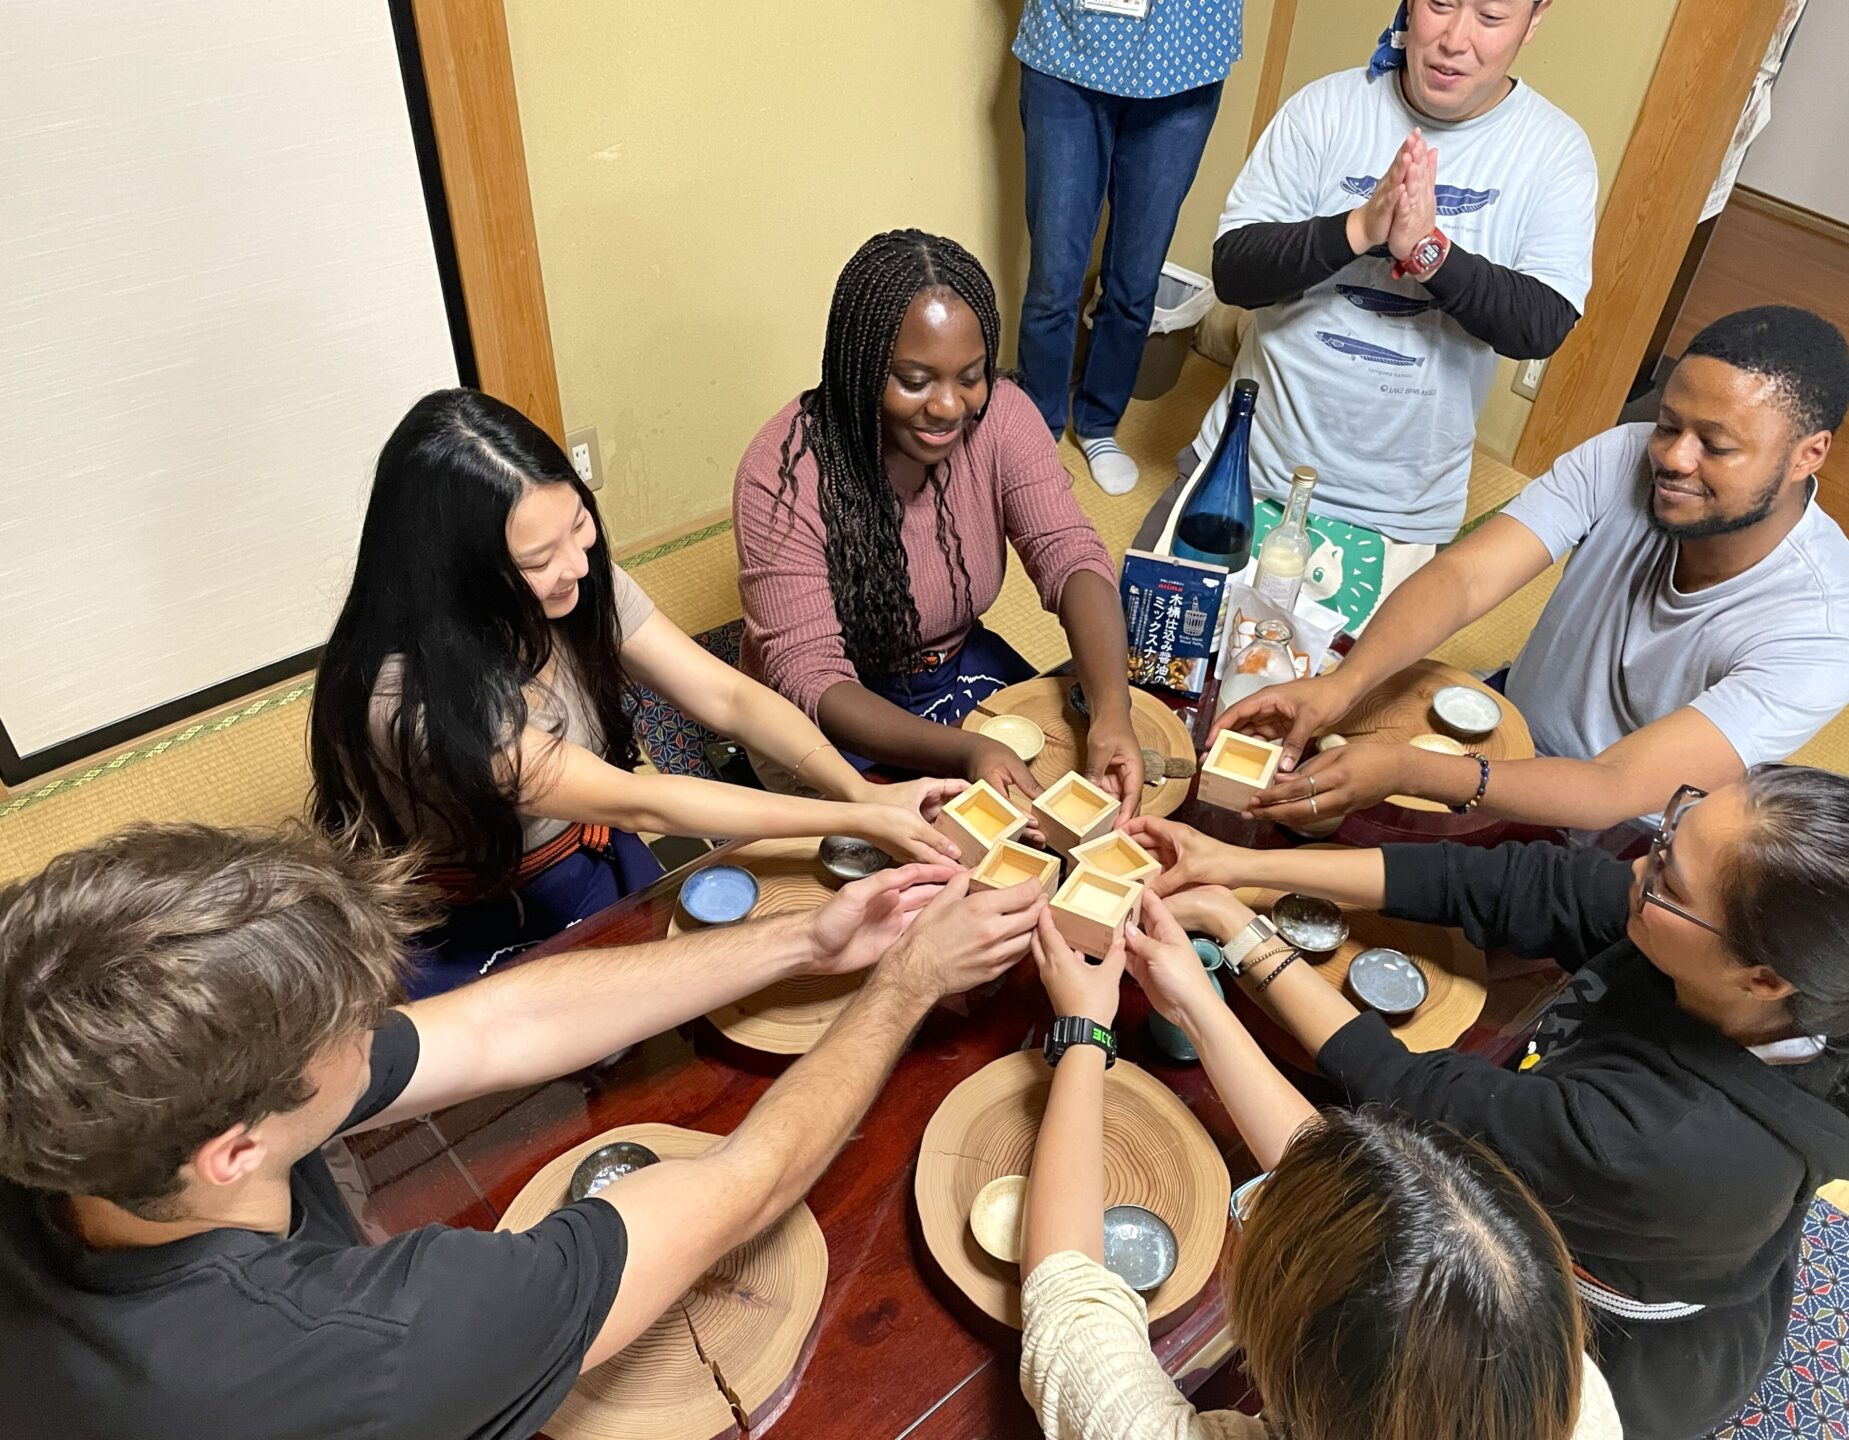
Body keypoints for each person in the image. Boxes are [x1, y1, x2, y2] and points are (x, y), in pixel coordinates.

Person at [0, 822, 1049, 1437]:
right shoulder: (358, 1344)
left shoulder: (70, 1096)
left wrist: (800, 942)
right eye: (349, 1031)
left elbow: (504, 1021)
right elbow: (749, 1182)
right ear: (233, 1149)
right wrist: (908, 983)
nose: (376, 1030)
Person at [1124, 762, 1849, 1439]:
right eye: (1670, 833)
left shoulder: (1662, 1142)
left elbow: (1409, 1104)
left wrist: (1235, 941)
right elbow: (1517, 885)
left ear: (1765, 977)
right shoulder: (1793, 980)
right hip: (1655, 1229)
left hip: (1594, 1350)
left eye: (1666, 879)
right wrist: (1239, 864)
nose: (1641, 868)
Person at [310, 388, 963, 997]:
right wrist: (859, 817)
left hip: (591, 841)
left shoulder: (578, 576)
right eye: (539, 559)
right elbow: (642, 803)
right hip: (481, 900)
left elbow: (726, 699)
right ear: (459, 577)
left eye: (578, 524)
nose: (578, 562)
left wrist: (858, 791)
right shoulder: (412, 704)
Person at [1215, 306, 1849, 834]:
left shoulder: (1825, 631)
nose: (1674, 459)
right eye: (1669, 425)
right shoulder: (1625, 456)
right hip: (1503, 725)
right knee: (1288, 808)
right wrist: (1345, 683)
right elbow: (1466, 578)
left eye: (1717, 445)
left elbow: (1612, 788)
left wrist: (1407, 770)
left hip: (1627, 829)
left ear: (1806, 455)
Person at [1016, 899, 1621, 1439]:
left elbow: (1070, 1307)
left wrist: (1084, 1031)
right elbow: (1351, 1193)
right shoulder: (1558, 1391)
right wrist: (1196, 1004)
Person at [1164, 0, 1594, 631]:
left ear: (1533, 22)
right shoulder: (1325, 107)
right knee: (1158, 664)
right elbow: (1235, 271)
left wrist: (1427, 251)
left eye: (1491, 18)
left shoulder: (1553, 152)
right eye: (1439, 6)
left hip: (1400, 514)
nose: (1455, 40)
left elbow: (1540, 324)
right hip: (1244, 472)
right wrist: (1360, 227)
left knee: (1326, 715)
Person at [735, 229, 1143, 814]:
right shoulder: (781, 473)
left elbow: (1069, 553)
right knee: (923, 871)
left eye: (970, 375)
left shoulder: (1002, 416)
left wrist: (1112, 708)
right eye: (915, 381)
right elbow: (812, 677)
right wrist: (965, 752)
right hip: (832, 714)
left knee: (1069, 794)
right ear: (861, 368)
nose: (950, 406)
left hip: (954, 665)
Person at [1010, 0, 1243, 496]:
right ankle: (1038, 428)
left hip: (1186, 50)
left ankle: (1098, 424)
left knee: (1136, 278)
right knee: (1055, 274)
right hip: (1065, 44)